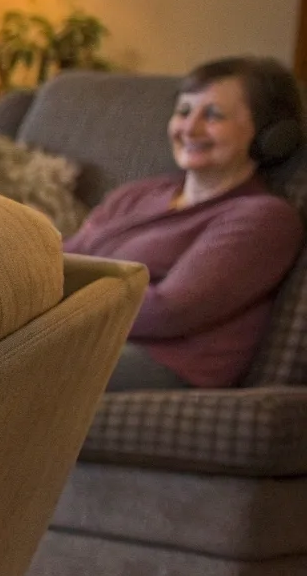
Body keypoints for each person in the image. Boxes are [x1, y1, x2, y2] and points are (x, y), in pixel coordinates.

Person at [62, 57, 305, 390]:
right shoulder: (135, 195)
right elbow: (62, 258)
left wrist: (54, 292)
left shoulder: (263, 218)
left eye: (214, 115)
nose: (190, 129)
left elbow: (166, 311)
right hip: (86, 335)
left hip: (164, 365)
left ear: (269, 135)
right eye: (184, 111)